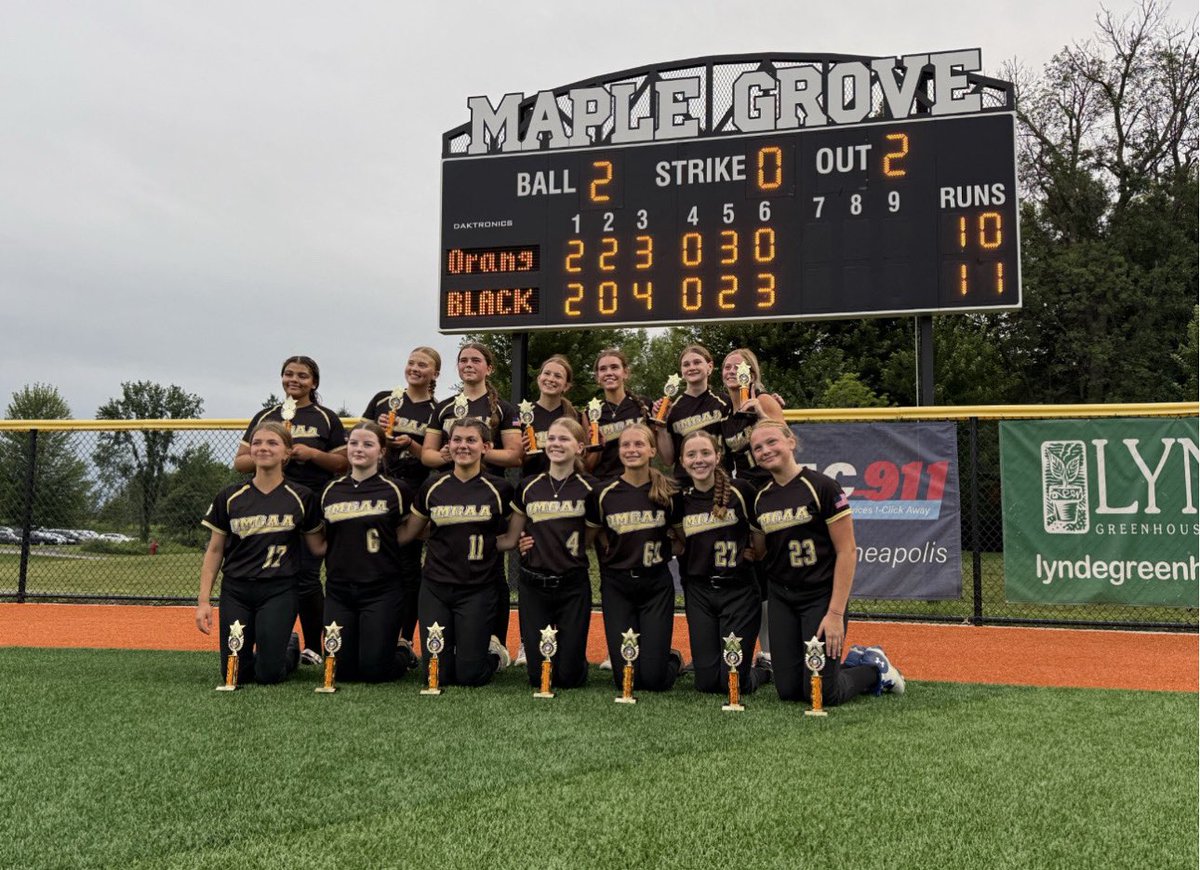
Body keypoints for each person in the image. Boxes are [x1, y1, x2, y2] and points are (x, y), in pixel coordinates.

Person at [748, 420, 905, 705]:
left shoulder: (821, 486)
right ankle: (843, 666)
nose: (765, 450)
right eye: (757, 447)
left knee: (822, 694)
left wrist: (835, 614)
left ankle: (874, 669)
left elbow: (847, 551)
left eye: (772, 442)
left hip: (819, 596)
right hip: (782, 596)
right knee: (788, 691)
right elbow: (760, 551)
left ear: (790, 441)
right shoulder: (761, 498)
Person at [236, 355, 347, 665]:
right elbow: (240, 462)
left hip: (310, 501)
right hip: (269, 504)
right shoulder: (266, 416)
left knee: (308, 577)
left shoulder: (325, 418)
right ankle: (274, 640)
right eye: (288, 374)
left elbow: (342, 464)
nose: (294, 380)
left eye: (302, 375)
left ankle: (314, 646)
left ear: (314, 382)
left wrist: (311, 454)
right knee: (270, 574)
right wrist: (274, 455)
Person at [196, 422, 324, 685]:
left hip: (280, 589)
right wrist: (203, 601)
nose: (263, 448)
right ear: (250, 450)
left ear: (287, 452)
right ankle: (270, 649)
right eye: (257, 443)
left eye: (272, 443)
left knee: (268, 675)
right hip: (237, 590)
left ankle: (289, 647)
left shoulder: (302, 496)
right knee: (234, 674)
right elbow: (214, 550)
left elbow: (318, 547)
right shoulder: (230, 497)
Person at [420, 341, 523, 652]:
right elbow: (427, 454)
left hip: (488, 489)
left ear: (488, 368)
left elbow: (516, 455)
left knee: (491, 567)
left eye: (476, 360)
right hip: (450, 489)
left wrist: (476, 454)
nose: (468, 365)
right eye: (463, 360)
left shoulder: (503, 408)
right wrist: (450, 457)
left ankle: (495, 642)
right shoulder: (444, 407)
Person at [409, 418, 514, 687]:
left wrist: (486, 545)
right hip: (436, 586)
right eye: (457, 440)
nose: (462, 446)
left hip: (477, 587)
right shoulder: (432, 486)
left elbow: (508, 536)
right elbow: (416, 531)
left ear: (486, 446)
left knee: (470, 676)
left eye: (471, 440)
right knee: (435, 675)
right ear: (448, 445)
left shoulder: (499, 489)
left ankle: (493, 653)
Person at [500, 417, 596, 690]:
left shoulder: (591, 488)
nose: (555, 444)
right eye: (551, 438)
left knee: (568, 679)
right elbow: (510, 537)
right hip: (534, 585)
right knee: (537, 677)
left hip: (573, 584)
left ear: (579, 447)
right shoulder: (529, 485)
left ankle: (575, 661)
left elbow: (590, 539)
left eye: (564, 439)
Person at [318, 421, 417, 682]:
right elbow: (320, 538)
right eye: (353, 443)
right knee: (340, 671)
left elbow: (410, 532)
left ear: (381, 451)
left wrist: (388, 545)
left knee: (375, 672)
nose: (359, 449)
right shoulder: (330, 490)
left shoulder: (396, 489)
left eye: (368, 444)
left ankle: (402, 651)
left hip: (381, 589)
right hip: (340, 590)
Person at [587, 424, 683, 692]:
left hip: (655, 585)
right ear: (618, 452)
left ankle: (672, 658)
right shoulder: (603, 493)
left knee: (653, 681)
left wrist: (661, 550)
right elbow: (592, 536)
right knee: (625, 680)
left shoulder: (668, 492)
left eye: (639, 444)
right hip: (617, 585)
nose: (632, 450)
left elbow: (681, 539)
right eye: (626, 445)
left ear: (652, 449)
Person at [674, 431, 770, 695]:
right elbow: (682, 542)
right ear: (682, 461)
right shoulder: (681, 499)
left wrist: (755, 551)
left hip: (738, 591)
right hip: (700, 592)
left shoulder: (741, 491)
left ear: (718, 456)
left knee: (732, 682)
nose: (699, 460)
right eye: (691, 454)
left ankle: (763, 670)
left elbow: (760, 531)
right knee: (706, 683)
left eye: (705, 453)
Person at [361, 346, 441, 652]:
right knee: (376, 558)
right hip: (379, 485)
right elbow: (359, 439)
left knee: (408, 563)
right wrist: (379, 435)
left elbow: (439, 457)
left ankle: (405, 637)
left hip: (416, 488)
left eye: (423, 364)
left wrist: (412, 444)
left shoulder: (438, 408)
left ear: (435, 373)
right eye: (411, 362)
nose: (415, 368)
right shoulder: (384, 399)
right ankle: (374, 628)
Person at [718, 347, 785, 669]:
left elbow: (785, 439)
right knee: (754, 569)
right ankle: (762, 650)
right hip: (747, 497)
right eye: (727, 366)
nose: (731, 371)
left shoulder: (764, 400)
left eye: (738, 366)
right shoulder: (726, 417)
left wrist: (762, 411)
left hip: (772, 490)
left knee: (776, 570)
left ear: (751, 372)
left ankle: (775, 650)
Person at [653, 345, 729, 481]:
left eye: (697, 362)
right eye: (686, 365)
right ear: (682, 371)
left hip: (720, 480)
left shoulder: (724, 402)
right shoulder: (672, 409)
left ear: (709, 367)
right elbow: (668, 460)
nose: (692, 367)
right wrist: (661, 427)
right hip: (685, 482)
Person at [585, 348, 653, 481]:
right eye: (603, 369)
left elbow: (655, 450)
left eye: (614, 367)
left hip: (640, 482)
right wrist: (597, 447)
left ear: (625, 373)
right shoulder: (590, 412)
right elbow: (587, 466)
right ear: (597, 377)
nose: (609, 373)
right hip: (604, 484)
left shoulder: (644, 405)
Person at [520, 354, 581, 479]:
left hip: (568, 486)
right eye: (547, 373)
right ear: (539, 378)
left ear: (566, 386)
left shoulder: (575, 416)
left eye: (558, 376)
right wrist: (523, 453)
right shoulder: (521, 413)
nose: (551, 379)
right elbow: (515, 459)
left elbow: (582, 458)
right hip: (532, 487)